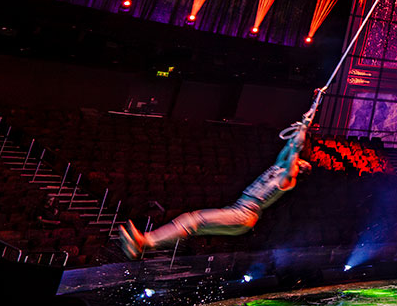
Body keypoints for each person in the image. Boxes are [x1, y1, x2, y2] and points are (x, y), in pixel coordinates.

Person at [118, 106, 315, 258]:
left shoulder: (288, 177)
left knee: (192, 220)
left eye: (303, 162)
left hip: (244, 214)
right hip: (240, 212)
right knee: (190, 223)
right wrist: (308, 117)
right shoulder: (279, 167)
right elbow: (291, 145)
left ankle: (145, 242)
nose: (300, 159)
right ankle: (143, 244)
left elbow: (296, 146)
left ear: (301, 169)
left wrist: (304, 127)